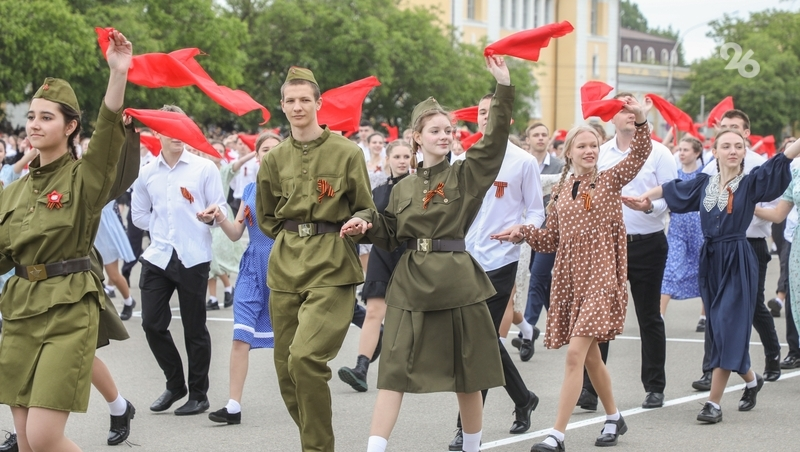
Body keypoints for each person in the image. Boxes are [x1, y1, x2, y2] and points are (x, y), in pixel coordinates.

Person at [342, 55, 512, 452]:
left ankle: (472, 447)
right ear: (416, 137)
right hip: (411, 285)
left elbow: (494, 142)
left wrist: (503, 88)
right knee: (393, 372)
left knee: (468, 376)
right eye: (435, 130)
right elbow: (389, 231)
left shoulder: (465, 174)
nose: (445, 136)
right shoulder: (402, 186)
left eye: (448, 130)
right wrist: (365, 225)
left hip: (457, 284)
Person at [494, 97, 651, 451]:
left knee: (575, 356)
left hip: (602, 278)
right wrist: (523, 232)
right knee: (591, 357)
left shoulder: (610, 179)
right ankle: (614, 417)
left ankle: (557, 435)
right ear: (568, 152)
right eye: (582, 146)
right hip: (571, 280)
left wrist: (640, 120)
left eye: (594, 145)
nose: (589, 150)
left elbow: (640, 154)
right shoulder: (561, 192)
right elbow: (551, 241)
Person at [0, 30, 131, 452]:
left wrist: (118, 72)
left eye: (46, 117)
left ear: (70, 126)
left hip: (69, 307)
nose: (34, 125)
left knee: (43, 437)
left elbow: (108, 132)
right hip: (20, 310)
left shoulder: (83, 177)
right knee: (25, 441)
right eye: (31, 117)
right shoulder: (12, 193)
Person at [624, 128, 798, 423]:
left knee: (727, 326)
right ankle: (751, 379)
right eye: (726, 146)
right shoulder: (705, 183)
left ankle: (713, 404)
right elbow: (672, 189)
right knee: (718, 329)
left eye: (738, 146)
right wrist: (645, 199)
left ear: (744, 152)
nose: (733, 151)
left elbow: (784, 158)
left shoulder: (751, 182)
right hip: (711, 260)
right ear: (714, 152)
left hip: (737, 258)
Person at [256, 67, 375, 452]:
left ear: (319, 103)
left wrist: (360, 221)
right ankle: (316, 441)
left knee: (305, 359)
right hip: (285, 268)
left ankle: (317, 449)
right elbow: (267, 216)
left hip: (332, 264)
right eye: (290, 100)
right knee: (285, 370)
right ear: (282, 105)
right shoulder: (274, 159)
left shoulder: (347, 152)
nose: (297, 107)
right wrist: (294, 237)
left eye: (305, 99)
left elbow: (367, 207)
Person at [445, 90, 544, 451]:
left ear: (508, 118)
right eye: (482, 112)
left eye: (494, 111)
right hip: (464, 260)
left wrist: (523, 229)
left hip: (501, 260)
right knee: (482, 342)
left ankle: (466, 429)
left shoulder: (523, 162)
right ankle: (524, 398)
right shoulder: (464, 159)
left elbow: (536, 210)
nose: (487, 117)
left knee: (478, 343)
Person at [131, 104, 228, 417]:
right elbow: (138, 216)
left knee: (194, 328)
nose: (177, 136)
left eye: (181, 128)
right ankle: (175, 384)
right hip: (158, 256)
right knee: (151, 323)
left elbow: (221, 207)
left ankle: (199, 394)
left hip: (193, 256)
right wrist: (162, 224)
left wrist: (213, 215)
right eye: (169, 129)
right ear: (156, 132)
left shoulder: (204, 168)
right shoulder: (147, 172)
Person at [584, 93, 674, 411]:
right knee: (600, 317)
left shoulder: (659, 152)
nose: (628, 114)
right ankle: (590, 390)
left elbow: (672, 195)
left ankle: (654, 386)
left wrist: (649, 206)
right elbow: (588, 194)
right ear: (612, 117)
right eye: (622, 109)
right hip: (608, 245)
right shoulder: (601, 153)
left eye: (632, 109)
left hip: (647, 243)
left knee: (649, 316)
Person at [691, 109, 783, 391]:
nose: (728, 131)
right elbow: (695, 195)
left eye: (734, 127)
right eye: (724, 127)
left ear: (746, 133)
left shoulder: (757, 166)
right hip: (718, 248)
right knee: (718, 313)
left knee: (752, 308)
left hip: (749, 243)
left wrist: (744, 206)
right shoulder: (712, 167)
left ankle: (772, 356)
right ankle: (712, 369)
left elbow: (773, 209)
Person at [197, 132, 281, 425]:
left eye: (276, 150)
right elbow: (235, 233)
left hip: (284, 268)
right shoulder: (249, 190)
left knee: (289, 341)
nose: (270, 155)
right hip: (252, 267)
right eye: (265, 150)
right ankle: (233, 406)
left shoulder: (294, 188)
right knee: (240, 336)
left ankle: (303, 396)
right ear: (257, 156)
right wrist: (218, 217)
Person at [337, 140, 414, 393]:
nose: (402, 161)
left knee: (407, 315)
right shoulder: (378, 191)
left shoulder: (417, 187)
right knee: (373, 312)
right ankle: (361, 368)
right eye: (397, 156)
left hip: (409, 253)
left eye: (406, 156)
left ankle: (406, 367)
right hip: (382, 253)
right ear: (387, 159)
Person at [514, 122, 564, 360]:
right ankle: (563, 321)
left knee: (537, 276)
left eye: (544, 134)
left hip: (549, 231)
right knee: (542, 282)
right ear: (528, 139)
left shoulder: (559, 166)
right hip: (524, 230)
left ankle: (528, 332)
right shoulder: (522, 162)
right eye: (536, 134)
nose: (541, 138)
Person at [659, 137, 704, 329]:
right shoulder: (674, 175)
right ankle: (660, 315)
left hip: (700, 229)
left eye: (686, 150)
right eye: (680, 149)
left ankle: (704, 316)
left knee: (705, 269)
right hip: (677, 228)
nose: (681, 153)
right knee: (670, 268)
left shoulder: (704, 175)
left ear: (697, 153)